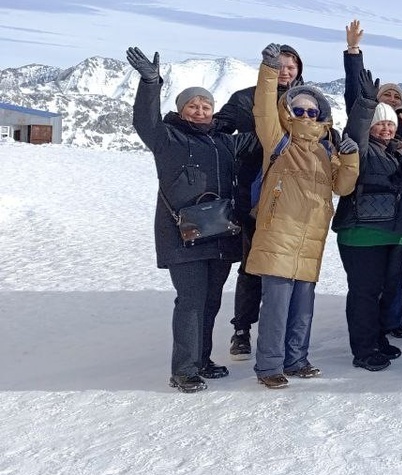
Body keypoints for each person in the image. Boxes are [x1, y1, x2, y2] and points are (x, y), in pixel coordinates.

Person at [128, 47, 255, 393]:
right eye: (192, 105)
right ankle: (183, 369)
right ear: (181, 110)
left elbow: (266, 139)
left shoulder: (224, 142)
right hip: (182, 236)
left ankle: (201, 359)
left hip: (221, 233)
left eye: (205, 106)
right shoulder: (168, 138)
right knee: (191, 300)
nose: (200, 110)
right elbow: (145, 121)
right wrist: (150, 83)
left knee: (211, 301)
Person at [247, 44, 359, 389]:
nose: (306, 116)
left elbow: (343, 187)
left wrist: (350, 159)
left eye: (313, 111)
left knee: (303, 305)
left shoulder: (328, 148)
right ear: (289, 112)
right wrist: (268, 71)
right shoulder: (279, 141)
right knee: (276, 306)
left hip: (312, 235)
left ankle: (296, 359)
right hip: (279, 232)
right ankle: (269, 366)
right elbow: (264, 110)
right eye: (299, 110)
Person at [213, 43, 305, 361]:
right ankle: (242, 331)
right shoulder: (244, 99)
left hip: (295, 200)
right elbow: (218, 135)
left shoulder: (304, 101)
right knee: (253, 266)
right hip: (254, 194)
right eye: (279, 65)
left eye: (291, 66)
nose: (286, 71)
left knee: (288, 270)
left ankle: (281, 333)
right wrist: (252, 142)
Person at [333, 66, 402, 372]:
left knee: (383, 290)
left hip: (392, 234)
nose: (385, 128)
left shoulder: (394, 151)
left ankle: (378, 338)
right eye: (379, 123)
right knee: (365, 292)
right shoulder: (361, 149)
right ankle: (364, 348)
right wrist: (367, 104)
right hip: (362, 234)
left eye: (389, 123)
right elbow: (355, 131)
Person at [340, 20, 402, 331]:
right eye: (383, 95)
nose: (386, 125)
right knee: (369, 285)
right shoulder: (361, 142)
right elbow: (358, 108)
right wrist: (354, 54)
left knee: (392, 276)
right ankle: (370, 335)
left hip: (400, 220)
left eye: (394, 96)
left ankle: (389, 324)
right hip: (368, 223)